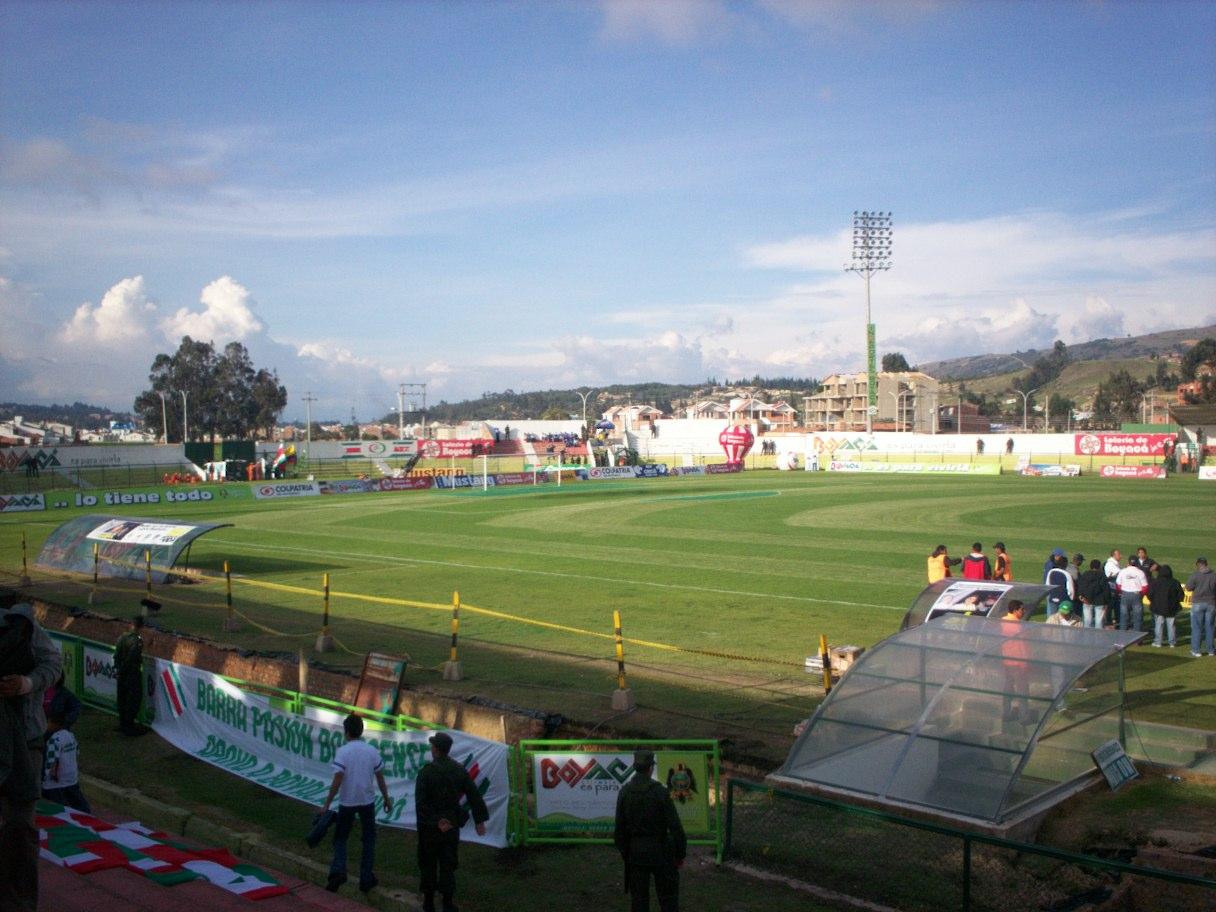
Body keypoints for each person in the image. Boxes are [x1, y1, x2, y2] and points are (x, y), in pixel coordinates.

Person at [0, 598, 63, 912]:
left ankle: (19, 902)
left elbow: (53, 665)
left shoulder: (20, 626)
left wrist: (26, 683)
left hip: (25, 739)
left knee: (20, 824)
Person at [414, 730, 489, 912]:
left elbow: (421, 803)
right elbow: (474, 795)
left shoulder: (426, 772)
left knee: (428, 863)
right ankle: (447, 903)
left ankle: (429, 902)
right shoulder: (459, 770)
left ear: (435, 749)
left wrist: (435, 821)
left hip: (431, 827)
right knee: (448, 863)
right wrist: (479, 820)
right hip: (451, 824)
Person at [321, 714, 392, 894]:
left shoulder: (343, 752)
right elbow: (380, 777)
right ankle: (366, 878)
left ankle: (338, 871)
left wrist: (327, 803)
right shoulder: (371, 751)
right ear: (360, 731)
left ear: (346, 732)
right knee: (369, 839)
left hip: (347, 801)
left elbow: (338, 779)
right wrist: (386, 798)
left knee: (340, 838)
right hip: (367, 801)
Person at [615, 749, 686, 912]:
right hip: (662, 851)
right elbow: (675, 827)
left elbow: (619, 830)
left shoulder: (625, 792)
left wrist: (627, 853)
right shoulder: (660, 792)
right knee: (668, 899)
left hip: (636, 853)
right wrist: (680, 854)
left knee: (639, 900)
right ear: (650, 768)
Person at [41, 710, 90, 812]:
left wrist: (47, 775)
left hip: (56, 781)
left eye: (48, 722)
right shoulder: (70, 735)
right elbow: (77, 752)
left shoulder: (54, 740)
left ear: (54, 723)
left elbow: (51, 760)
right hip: (71, 777)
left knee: (56, 806)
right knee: (78, 802)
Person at [113, 615, 146, 735]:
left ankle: (123, 724)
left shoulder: (122, 637)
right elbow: (131, 658)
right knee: (133, 700)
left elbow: (116, 656)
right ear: (141, 627)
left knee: (122, 699)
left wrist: (119, 670)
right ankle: (129, 726)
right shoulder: (137, 640)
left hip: (121, 674)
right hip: (131, 674)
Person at [1185, 557, 1216, 658]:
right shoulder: (1213, 575)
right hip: (1211, 603)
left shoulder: (1195, 575)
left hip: (1198, 603)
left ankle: (1196, 650)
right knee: (1210, 627)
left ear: (1198, 565)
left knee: (1197, 627)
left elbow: (1188, 587)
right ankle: (1211, 650)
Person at [1148, 565, 1184, 648]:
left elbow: (1150, 594)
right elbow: (1181, 596)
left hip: (1158, 607)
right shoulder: (1175, 582)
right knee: (1171, 625)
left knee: (1159, 625)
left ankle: (1158, 642)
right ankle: (1172, 643)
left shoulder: (1156, 582)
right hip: (1172, 608)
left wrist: (1154, 602)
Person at [1115, 559, 1150, 632]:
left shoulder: (1123, 571)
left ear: (1128, 563)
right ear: (1137, 563)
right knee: (1137, 616)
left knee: (1123, 616)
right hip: (1136, 594)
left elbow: (1118, 584)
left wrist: (1121, 592)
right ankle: (1137, 635)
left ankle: (1122, 633)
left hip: (1125, 594)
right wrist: (1141, 594)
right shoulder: (1140, 572)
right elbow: (1145, 587)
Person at [1076, 559, 1112, 629]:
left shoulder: (1085, 574)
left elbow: (1081, 586)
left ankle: (1086, 635)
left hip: (1086, 600)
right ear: (1099, 567)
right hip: (1100, 601)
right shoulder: (1102, 575)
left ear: (1090, 566)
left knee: (1087, 621)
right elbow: (1106, 590)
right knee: (1099, 621)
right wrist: (1107, 601)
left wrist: (1081, 595)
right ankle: (1098, 635)